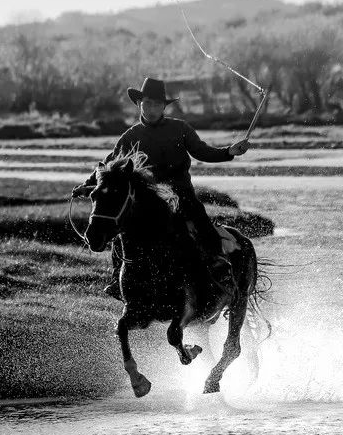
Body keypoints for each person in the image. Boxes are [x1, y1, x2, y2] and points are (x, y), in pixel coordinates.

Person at [73, 77, 250, 299]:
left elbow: (202, 151)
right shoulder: (130, 137)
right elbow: (108, 166)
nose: (152, 109)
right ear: (139, 104)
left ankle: (219, 268)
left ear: (164, 107)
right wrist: (88, 184)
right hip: (149, 201)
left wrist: (229, 152)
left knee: (201, 225)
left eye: (157, 104)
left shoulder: (180, 128)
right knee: (122, 231)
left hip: (182, 196)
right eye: (147, 103)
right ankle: (117, 276)